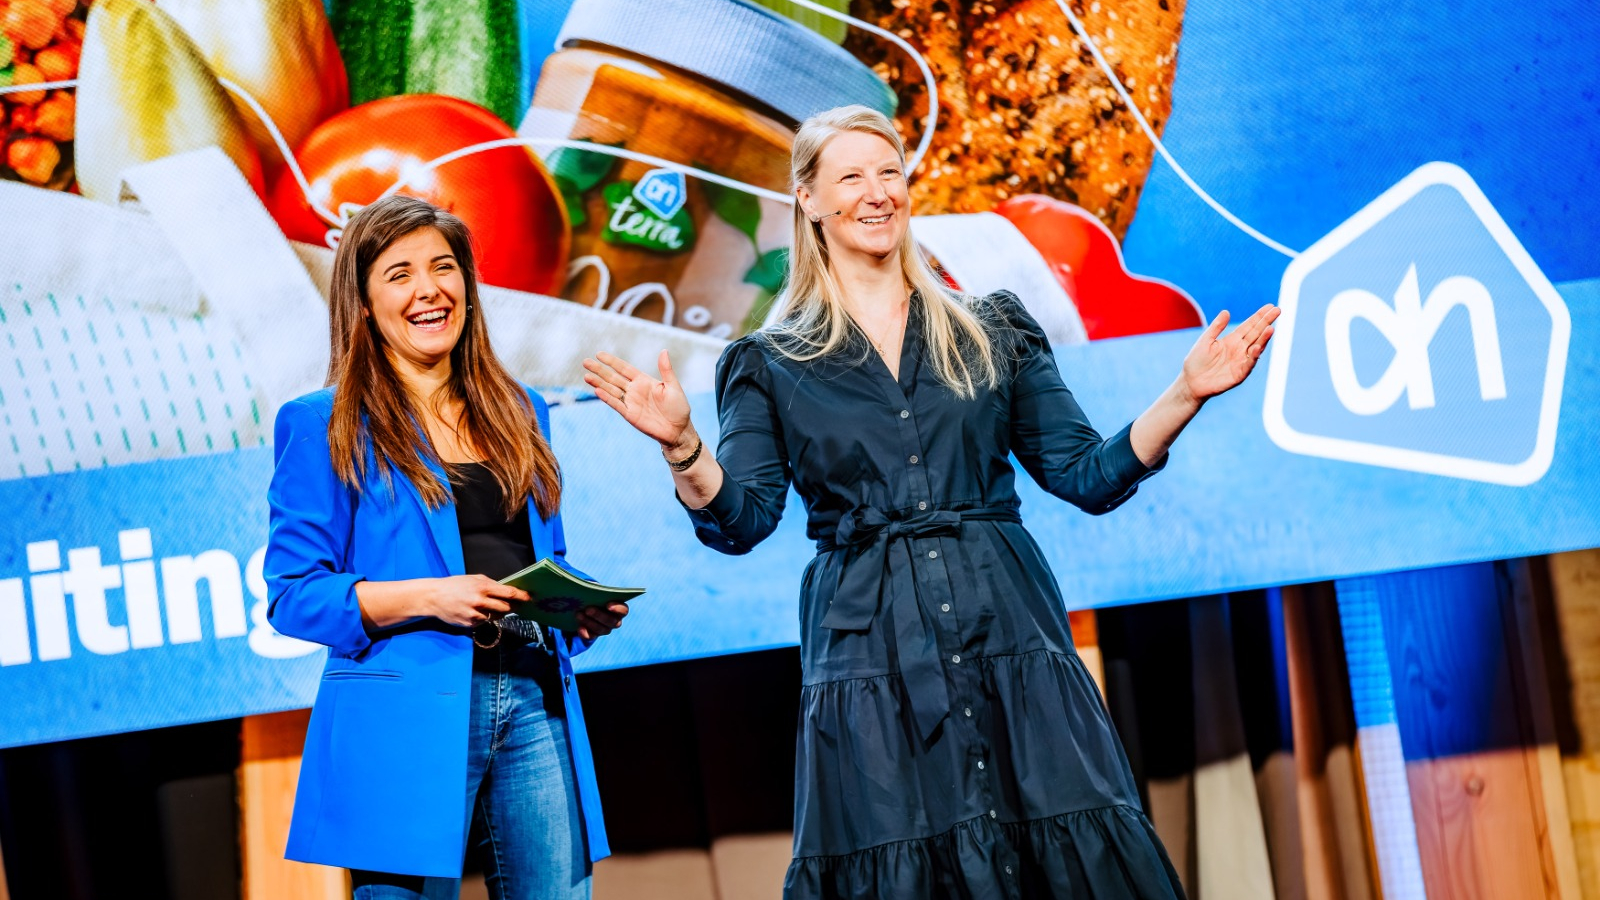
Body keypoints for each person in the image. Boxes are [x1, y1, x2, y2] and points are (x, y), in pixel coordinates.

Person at [583, 105, 1278, 898]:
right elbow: (740, 521)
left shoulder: (993, 327)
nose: (877, 194)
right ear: (808, 199)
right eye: (851, 177)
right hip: (868, 652)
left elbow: (1086, 474)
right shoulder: (767, 361)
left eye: (890, 174)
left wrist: (1186, 393)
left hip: (1008, 627)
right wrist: (682, 445)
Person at [265, 194, 628, 900]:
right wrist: (434, 595)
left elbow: (524, 554)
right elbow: (293, 595)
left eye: (443, 267)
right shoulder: (322, 423)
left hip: (533, 696)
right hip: (408, 715)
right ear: (364, 304)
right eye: (398, 274)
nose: (429, 289)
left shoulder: (520, 407)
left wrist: (576, 604)